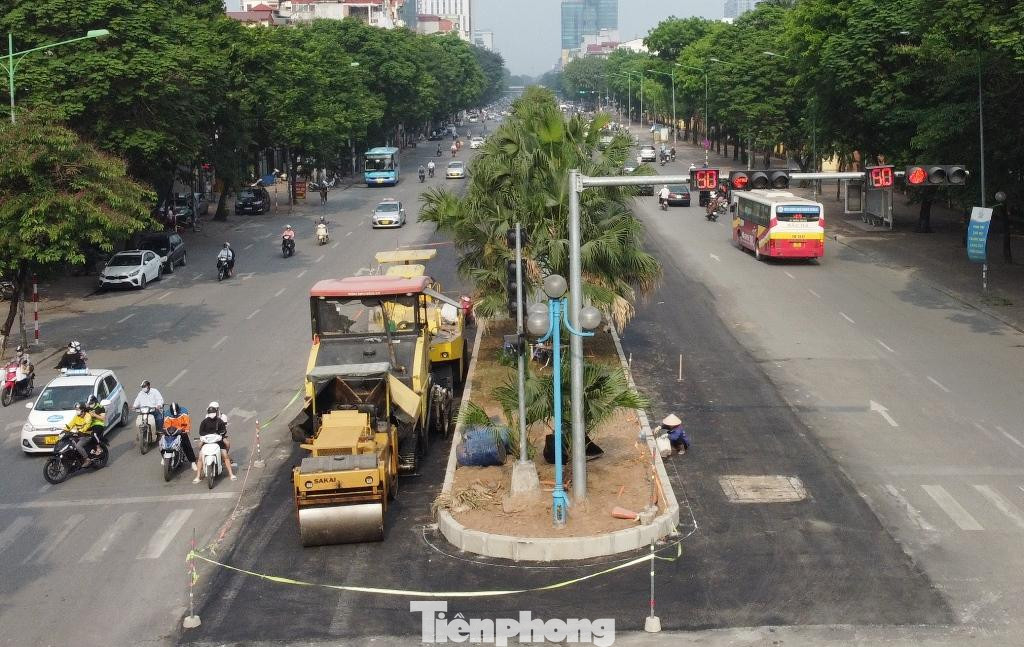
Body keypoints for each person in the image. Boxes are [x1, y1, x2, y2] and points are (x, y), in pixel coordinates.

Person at [194, 405, 236, 483]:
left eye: (213, 412)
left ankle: (231, 474)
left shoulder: (219, 421)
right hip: (207, 442)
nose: (212, 414)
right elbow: (201, 432)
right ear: (208, 413)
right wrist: (207, 436)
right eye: (210, 412)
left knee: (225, 456)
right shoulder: (204, 421)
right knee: (200, 457)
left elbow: (223, 430)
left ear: (216, 412)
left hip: (218, 441)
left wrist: (219, 434)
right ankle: (198, 476)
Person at [164, 402, 197, 472]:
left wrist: (185, 429)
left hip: (181, 430)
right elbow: (167, 424)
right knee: (164, 441)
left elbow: (186, 422)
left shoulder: (184, 412)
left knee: (186, 444)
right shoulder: (167, 414)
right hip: (172, 431)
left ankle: (193, 462)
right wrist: (168, 430)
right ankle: (165, 455)